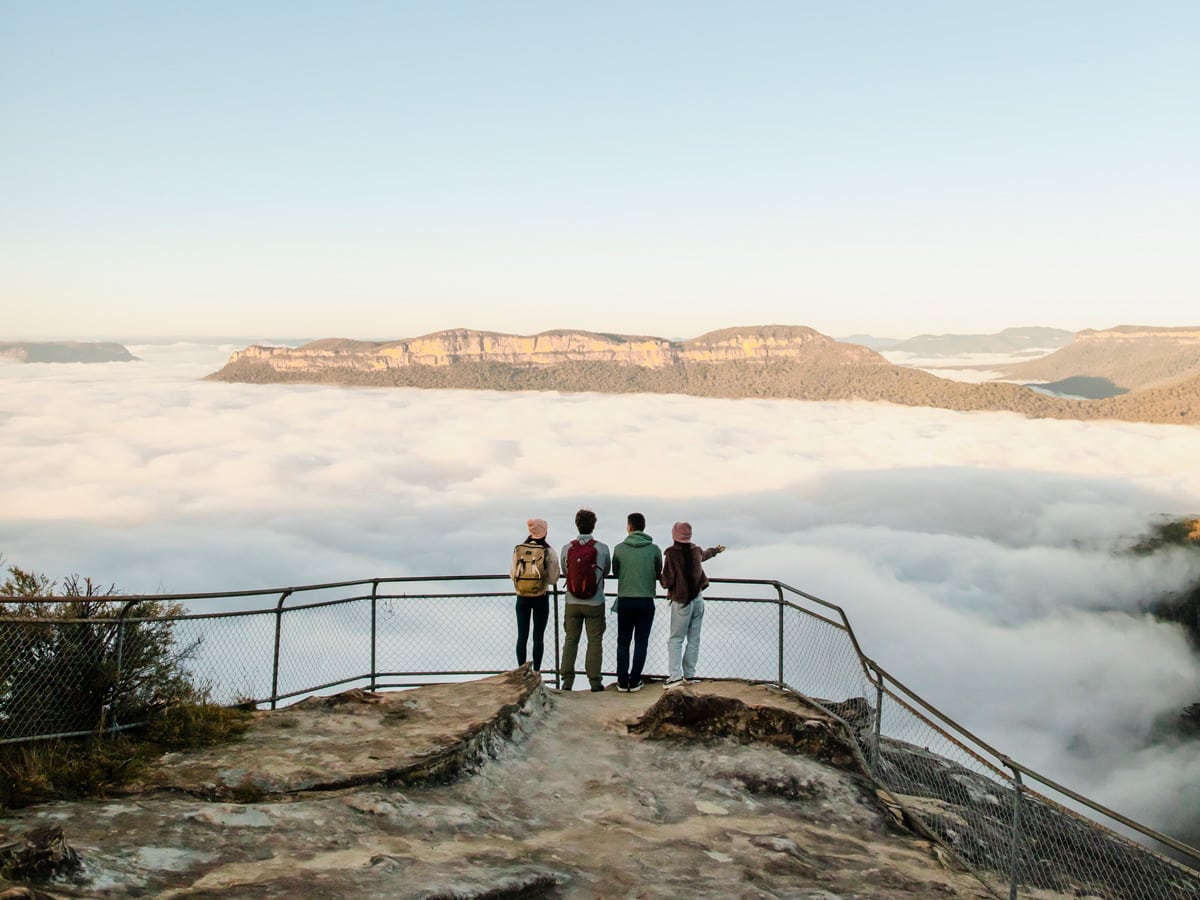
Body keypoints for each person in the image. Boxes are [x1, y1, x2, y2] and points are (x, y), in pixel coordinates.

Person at [660, 521, 725, 687]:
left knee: (675, 639)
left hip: (682, 602)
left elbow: (667, 581)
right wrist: (716, 550)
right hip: (698, 599)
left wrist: (656, 573)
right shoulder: (695, 551)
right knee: (694, 639)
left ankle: (675, 676)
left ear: (674, 535)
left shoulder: (672, 555)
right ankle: (689, 675)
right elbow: (705, 554)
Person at [559, 508, 611, 692]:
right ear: (593, 525)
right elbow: (605, 572)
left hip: (572, 601)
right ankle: (595, 682)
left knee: (571, 639)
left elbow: (565, 572)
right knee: (594, 641)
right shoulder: (602, 548)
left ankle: (567, 681)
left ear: (577, 525)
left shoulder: (567, 548)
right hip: (595, 601)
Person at [611, 512, 662, 692]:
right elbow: (658, 572)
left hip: (625, 600)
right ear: (643, 527)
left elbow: (616, 572)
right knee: (641, 641)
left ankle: (622, 681)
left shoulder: (619, 549)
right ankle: (635, 680)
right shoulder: (654, 549)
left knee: (623, 641)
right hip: (646, 601)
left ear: (629, 527)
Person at [510, 517, 560, 673]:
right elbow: (553, 579)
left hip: (522, 597)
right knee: (538, 637)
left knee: (522, 636)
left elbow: (512, 574)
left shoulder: (519, 549)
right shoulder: (548, 551)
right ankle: (537, 672)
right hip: (540, 597)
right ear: (545, 532)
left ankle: (521, 672)